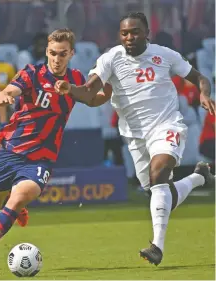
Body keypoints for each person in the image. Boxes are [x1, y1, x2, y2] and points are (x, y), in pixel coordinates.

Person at [54, 12, 215, 266]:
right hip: (134, 135)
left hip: (166, 124)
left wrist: (204, 94)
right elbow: (89, 93)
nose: (129, 37)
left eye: (135, 32)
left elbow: (199, 78)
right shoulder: (110, 58)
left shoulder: (164, 55)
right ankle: (198, 178)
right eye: (124, 33)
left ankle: (157, 246)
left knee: (159, 174)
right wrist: (69, 89)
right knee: (160, 193)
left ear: (146, 32)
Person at [0, 28, 85, 245]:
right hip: (12, 151)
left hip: (42, 158)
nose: (57, 59)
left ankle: (14, 205)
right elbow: (10, 90)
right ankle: (9, 202)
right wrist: (4, 95)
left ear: (71, 54)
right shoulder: (31, 73)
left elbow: (92, 97)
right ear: (46, 51)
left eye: (62, 54)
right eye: (53, 53)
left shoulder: (76, 79)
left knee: (20, 198)